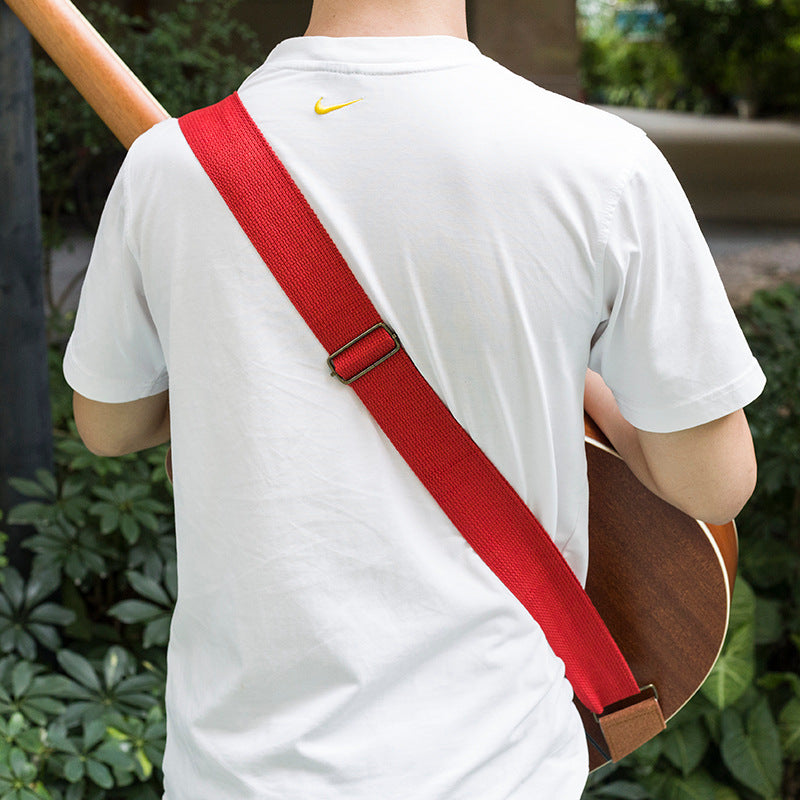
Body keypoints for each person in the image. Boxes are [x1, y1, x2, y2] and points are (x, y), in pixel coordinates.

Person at [63, 0, 765, 797]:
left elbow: (109, 423)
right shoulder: (603, 162)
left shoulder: (167, 166)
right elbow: (715, 484)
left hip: (235, 769)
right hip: (496, 765)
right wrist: (581, 384)